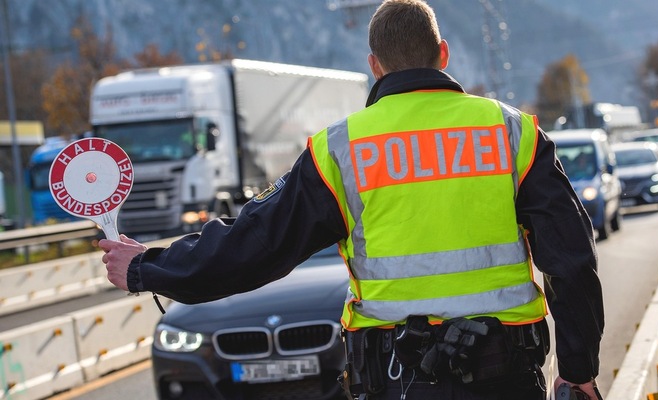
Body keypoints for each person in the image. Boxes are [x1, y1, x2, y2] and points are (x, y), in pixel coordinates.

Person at [99, 1, 604, 398]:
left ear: (374, 66)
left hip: (397, 377)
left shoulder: (340, 150)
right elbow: (572, 259)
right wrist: (578, 370)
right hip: (505, 375)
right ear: (443, 54)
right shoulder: (512, 133)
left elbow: (255, 244)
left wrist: (148, 267)